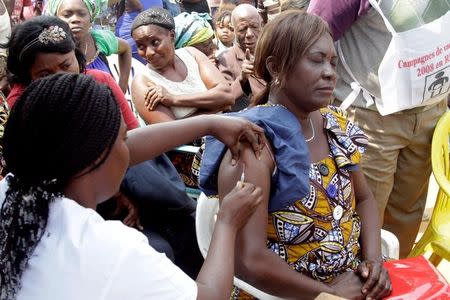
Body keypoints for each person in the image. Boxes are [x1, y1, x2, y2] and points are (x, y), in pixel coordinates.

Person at [0, 73, 265, 300]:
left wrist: (209, 124)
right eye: (123, 138)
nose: (128, 150)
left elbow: (126, 148)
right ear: (96, 157)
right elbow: (209, 296)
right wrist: (226, 223)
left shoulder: (11, 189)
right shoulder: (108, 250)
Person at [197, 11, 391, 300]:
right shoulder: (255, 144)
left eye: (332, 62)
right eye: (316, 60)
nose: (329, 72)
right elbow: (249, 260)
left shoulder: (334, 124)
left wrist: (374, 262)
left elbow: (363, 198)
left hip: (352, 284)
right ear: (276, 68)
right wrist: (329, 293)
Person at [309, 0, 450, 258]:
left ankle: (395, 283)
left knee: (406, 217)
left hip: (428, 111)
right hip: (370, 117)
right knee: (364, 217)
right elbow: (310, 38)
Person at [3, 15, 139, 130]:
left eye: (66, 65)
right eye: (45, 75)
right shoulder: (19, 106)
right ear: (26, 75)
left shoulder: (100, 81)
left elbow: (132, 132)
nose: (62, 77)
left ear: (76, 54)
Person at [131, 8, 233, 124]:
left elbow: (227, 96)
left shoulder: (192, 54)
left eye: (155, 42)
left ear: (172, 36)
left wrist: (174, 99)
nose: (149, 52)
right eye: (141, 46)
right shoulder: (143, 82)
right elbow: (172, 132)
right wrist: (215, 108)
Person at [45, 0, 132, 93]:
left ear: (91, 17)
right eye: (67, 15)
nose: (75, 19)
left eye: (82, 14)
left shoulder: (99, 39)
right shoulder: (49, 48)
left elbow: (125, 48)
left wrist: (122, 87)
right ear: (56, 19)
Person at [216, 4, 266, 111]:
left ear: (261, 25)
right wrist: (242, 79)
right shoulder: (225, 59)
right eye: (242, 29)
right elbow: (224, 102)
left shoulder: (271, 51)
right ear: (233, 30)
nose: (249, 34)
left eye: (254, 26)